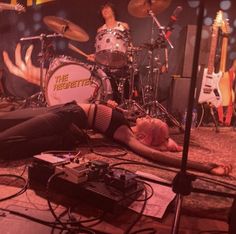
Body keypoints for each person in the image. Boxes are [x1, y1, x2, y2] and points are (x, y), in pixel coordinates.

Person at [0, 101, 232, 176]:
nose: (148, 115)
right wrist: (170, 143)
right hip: (64, 113)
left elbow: (152, 153)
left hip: (64, 116)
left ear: (142, 135)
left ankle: (61, 140)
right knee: (6, 119)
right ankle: (61, 140)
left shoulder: (126, 134)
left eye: (151, 121)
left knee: (4, 143)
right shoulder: (129, 122)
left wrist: (207, 166)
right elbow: (165, 145)